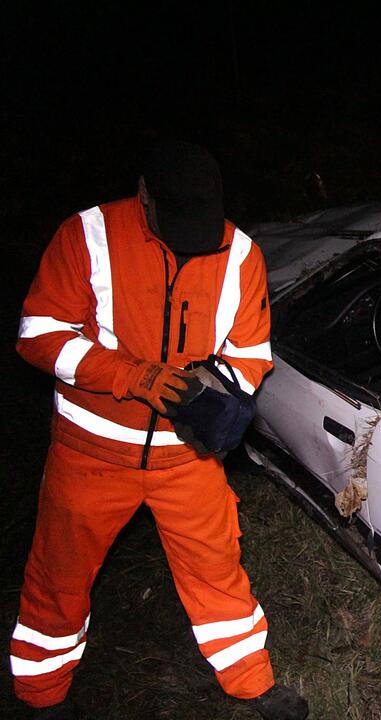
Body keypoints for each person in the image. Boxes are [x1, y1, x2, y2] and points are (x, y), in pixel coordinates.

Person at [11, 141, 308, 720]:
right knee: (59, 575)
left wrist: (211, 390)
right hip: (90, 452)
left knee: (217, 569)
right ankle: (41, 694)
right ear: (144, 195)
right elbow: (38, 333)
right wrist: (132, 375)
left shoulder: (241, 252)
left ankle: (250, 681)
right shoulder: (87, 234)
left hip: (185, 457)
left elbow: (251, 355)